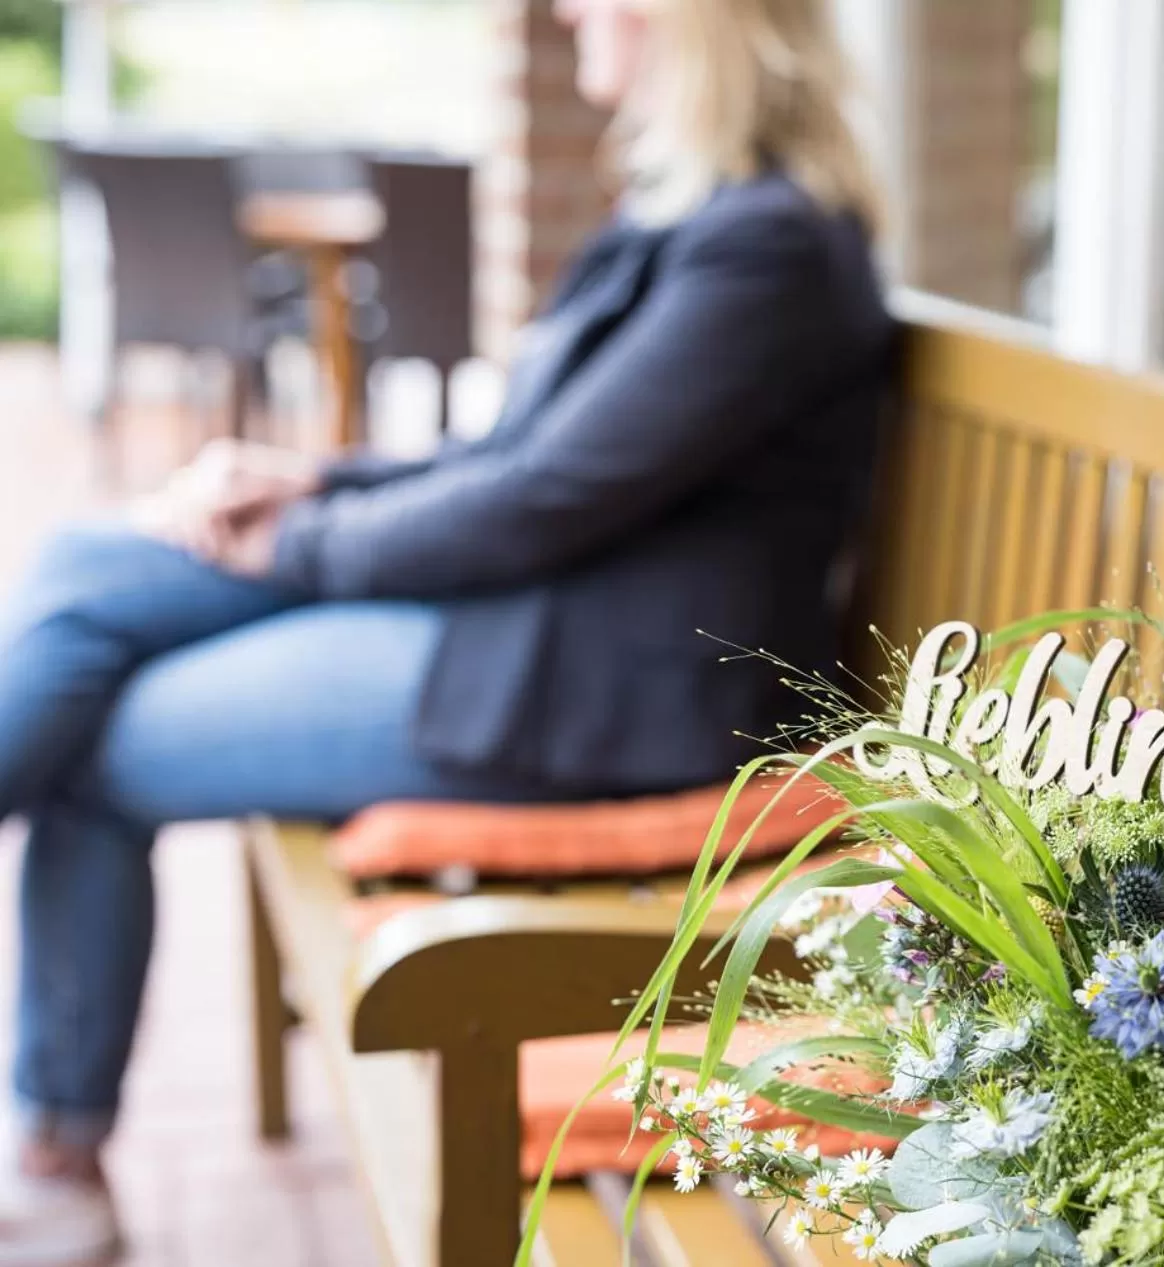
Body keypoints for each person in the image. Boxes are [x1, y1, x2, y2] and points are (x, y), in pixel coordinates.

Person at [0, 0, 891, 1259]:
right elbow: (515, 459)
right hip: (520, 628)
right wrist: (310, 484)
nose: (571, 9)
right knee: (91, 561)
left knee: (93, 741)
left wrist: (300, 545)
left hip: (582, 690)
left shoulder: (770, 251)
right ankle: (57, 1159)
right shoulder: (700, 217)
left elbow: (546, 500)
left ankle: (55, 1161)